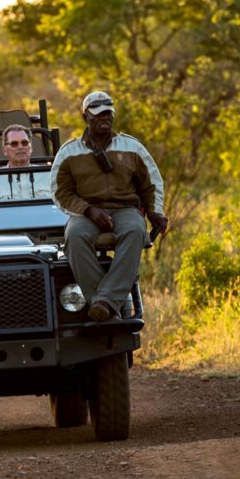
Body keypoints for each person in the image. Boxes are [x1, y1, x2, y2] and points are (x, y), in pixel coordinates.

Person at [50, 91, 168, 322]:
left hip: (125, 209)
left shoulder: (131, 147)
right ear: (86, 117)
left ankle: (104, 303)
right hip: (86, 212)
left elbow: (151, 183)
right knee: (74, 235)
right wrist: (88, 210)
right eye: (98, 114)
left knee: (135, 231)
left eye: (108, 113)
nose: (105, 118)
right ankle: (105, 305)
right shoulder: (69, 152)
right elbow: (59, 191)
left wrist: (155, 212)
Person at [0, 124, 53, 202]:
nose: (20, 147)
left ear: (30, 147)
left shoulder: (48, 176)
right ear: (5, 150)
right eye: (14, 144)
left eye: (24, 143)